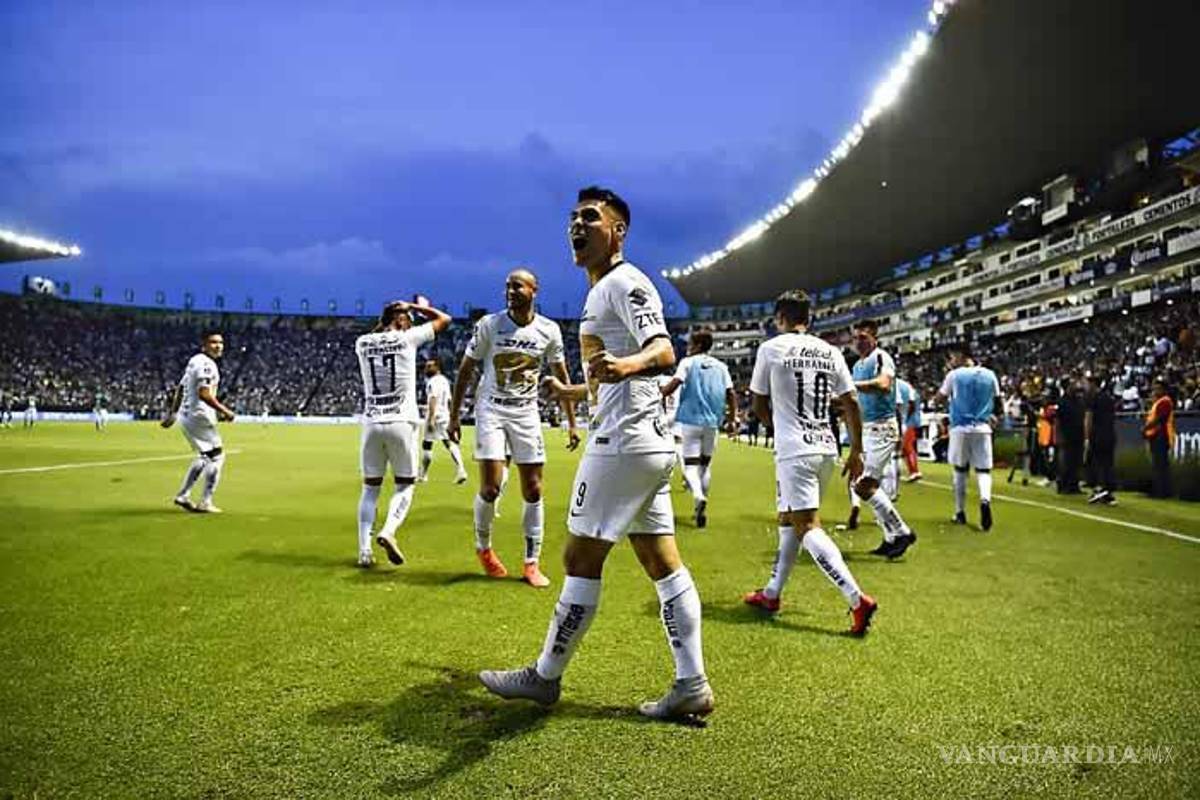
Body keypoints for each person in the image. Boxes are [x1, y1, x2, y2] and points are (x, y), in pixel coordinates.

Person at [479, 186, 712, 722]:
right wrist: (577, 392)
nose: (576, 226)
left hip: (622, 446)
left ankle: (544, 677)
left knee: (579, 559)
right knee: (662, 562)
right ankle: (691, 683)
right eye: (572, 219)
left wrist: (627, 368)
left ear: (618, 230)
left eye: (590, 217)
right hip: (646, 444)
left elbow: (663, 350)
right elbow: (615, 371)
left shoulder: (623, 283)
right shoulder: (603, 290)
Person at [742, 291, 878, 634]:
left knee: (806, 526)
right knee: (788, 519)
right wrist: (857, 450)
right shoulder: (829, 350)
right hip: (826, 448)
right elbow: (851, 402)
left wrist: (777, 427)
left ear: (778, 318)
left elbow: (757, 404)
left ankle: (856, 598)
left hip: (795, 450)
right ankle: (771, 593)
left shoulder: (771, 348)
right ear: (810, 318)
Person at [448, 268, 580, 588]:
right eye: (507, 286)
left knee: (534, 489)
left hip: (526, 413)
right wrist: (454, 416)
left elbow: (562, 377)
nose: (510, 291)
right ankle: (484, 549)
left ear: (534, 290)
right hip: (491, 410)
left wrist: (572, 422)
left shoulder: (549, 330)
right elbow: (466, 370)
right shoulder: (490, 326)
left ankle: (531, 563)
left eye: (517, 286)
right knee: (491, 488)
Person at [355, 300, 452, 567]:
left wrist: (393, 314)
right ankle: (389, 530)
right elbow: (445, 319)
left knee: (370, 488)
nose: (410, 321)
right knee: (405, 484)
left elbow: (379, 332)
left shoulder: (362, 343)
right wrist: (415, 306)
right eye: (407, 317)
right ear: (400, 320)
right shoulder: (408, 338)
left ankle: (364, 550)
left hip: (372, 421)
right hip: (402, 421)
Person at [847, 319, 917, 559]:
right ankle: (890, 538)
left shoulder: (881, 357)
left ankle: (903, 531)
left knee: (864, 485)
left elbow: (884, 384)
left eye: (863, 337)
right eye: (855, 338)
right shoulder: (857, 365)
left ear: (874, 338)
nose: (858, 342)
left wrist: (851, 387)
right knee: (865, 485)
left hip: (882, 428)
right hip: (867, 428)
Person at [658, 329, 737, 528]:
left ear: (698, 345)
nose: (687, 347)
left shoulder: (687, 363)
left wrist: (657, 393)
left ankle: (699, 496)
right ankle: (699, 508)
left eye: (690, 343)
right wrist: (732, 418)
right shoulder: (721, 367)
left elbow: (672, 386)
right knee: (705, 466)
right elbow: (731, 394)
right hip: (712, 422)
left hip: (690, 421)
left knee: (691, 466)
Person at [162, 330, 235, 513]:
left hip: (187, 417)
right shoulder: (207, 365)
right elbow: (204, 394)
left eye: (220, 342)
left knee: (205, 456)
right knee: (217, 456)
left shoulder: (194, 361)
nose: (218, 346)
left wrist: (173, 413)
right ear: (204, 345)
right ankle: (205, 501)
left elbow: (180, 388)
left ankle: (183, 495)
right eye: (213, 342)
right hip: (199, 415)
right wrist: (225, 411)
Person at [937, 346, 1002, 531]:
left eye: (952, 356)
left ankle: (960, 512)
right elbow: (998, 403)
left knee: (960, 470)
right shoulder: (990, 375)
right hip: (983, 428)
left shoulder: (954, 375)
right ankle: (985, 500)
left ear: (961, 356)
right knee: (983, 470)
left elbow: (938, 398)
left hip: (960, 428)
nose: (951, 360)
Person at [419, 359, 467, 484]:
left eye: (429, 366)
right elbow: (450, 400)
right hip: (445, 415)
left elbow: (433, 398)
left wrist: (431, 419)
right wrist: (453, 417)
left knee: (427, 444)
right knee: (450, 443)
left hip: (434, 416)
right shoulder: (445, 381)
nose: (426, 368)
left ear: (437, 367)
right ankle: (461, 470)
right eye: (426, 366)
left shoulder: (432, 382)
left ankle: (423, 475)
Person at [1084, 376, 1117, 505]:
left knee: (1096, 463)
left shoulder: (1092, 398)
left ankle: (1099, 489)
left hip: (1097, 435)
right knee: (1108, 464)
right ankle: (1108, 492)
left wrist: (1086, 437)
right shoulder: (1108, 398)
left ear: (1093, 384)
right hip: (1110, 434)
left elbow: (1088, 418)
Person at [1144, 378, 1175, 499]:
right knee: (1157, 465)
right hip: (1155, 435)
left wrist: (1146, 428)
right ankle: (1158, 489)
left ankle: (1162, 491)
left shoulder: (1165, 402)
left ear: (1163, 389)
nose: (1155, 390)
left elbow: (1160, 419)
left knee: (1161, 465)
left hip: (1161, 436)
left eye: (1157, 388)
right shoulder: (1158, 402)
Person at [1055, 376, 1085, 495]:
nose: (1075, 386)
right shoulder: (1062, 402)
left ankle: (1074, 485)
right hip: (1067, 435)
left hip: (1077, 435)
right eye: (1072, 384)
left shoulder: (1078, 400)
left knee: (1076, 461)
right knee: (1066, 462)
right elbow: (1058, 421)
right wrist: (1058, 436)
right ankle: (1063, 485)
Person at [896, 377, 923, 482]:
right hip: (910, 420)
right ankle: (911, 470)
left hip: (908, 421)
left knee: (907, 447)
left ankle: (914, 471)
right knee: (906, 447)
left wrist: (906, 417)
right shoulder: (910, 389)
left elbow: (911, 405)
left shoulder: (903, 387)